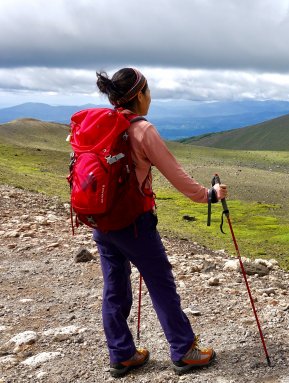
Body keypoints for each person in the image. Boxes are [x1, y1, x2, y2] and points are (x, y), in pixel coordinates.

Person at [93, 67, 227, 377]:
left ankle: (122, 354)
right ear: (139, 95)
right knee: (161, 284)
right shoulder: (142, 130)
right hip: (134, 225)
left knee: (114, 287)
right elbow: (176, 175)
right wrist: (208, 195)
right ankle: (183, 350)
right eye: (148, 91)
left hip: (101, 222)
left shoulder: (102, 125)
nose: (150, 97)